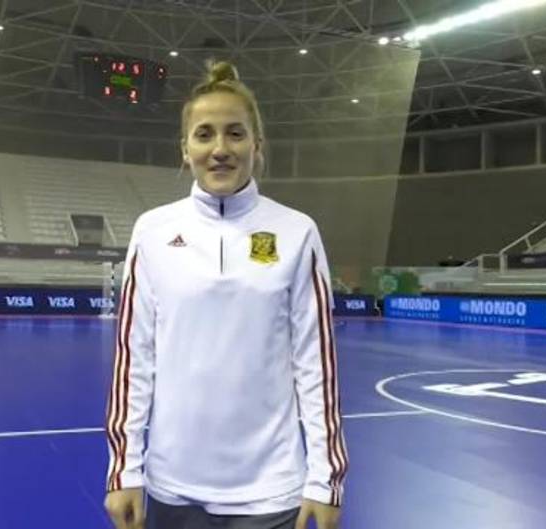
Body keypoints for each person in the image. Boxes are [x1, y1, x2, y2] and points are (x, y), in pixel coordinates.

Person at [104, 60, 348, 529]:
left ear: (258, 147)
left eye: (236, 134)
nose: (220, 149)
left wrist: (326, 477)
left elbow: (316, 364)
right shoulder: (153, 231)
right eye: (204, 134)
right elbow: (133, 360)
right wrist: (124, 469)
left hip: (272, 492)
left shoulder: (297, 232)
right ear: (184, 149)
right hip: (172, 487)